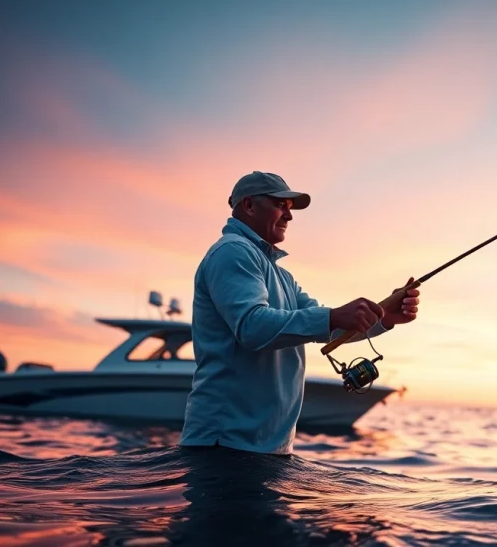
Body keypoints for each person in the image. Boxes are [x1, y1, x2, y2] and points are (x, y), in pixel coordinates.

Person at [180, 171, 420, 455]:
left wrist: (385, 317)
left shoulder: (283, 277)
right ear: (248, 206)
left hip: (264, 448)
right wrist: (333, 316)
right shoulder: (233, 251)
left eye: (290, 209)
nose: (289, 216)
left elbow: (327, 327)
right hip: (225, 445)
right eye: (281, 205)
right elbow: (251, 327)